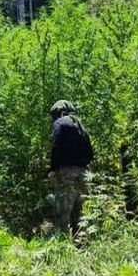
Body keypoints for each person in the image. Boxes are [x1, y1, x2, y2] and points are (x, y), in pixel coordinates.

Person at [48, 100, 93, 236]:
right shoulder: (80, 125)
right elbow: (90, 153)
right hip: (83, 174)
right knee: (80, 213)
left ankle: (62, 246)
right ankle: (81, 246)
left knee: (62, 212)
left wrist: (53, 169)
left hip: (65, 173)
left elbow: (55, 147)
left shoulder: (60, 123)